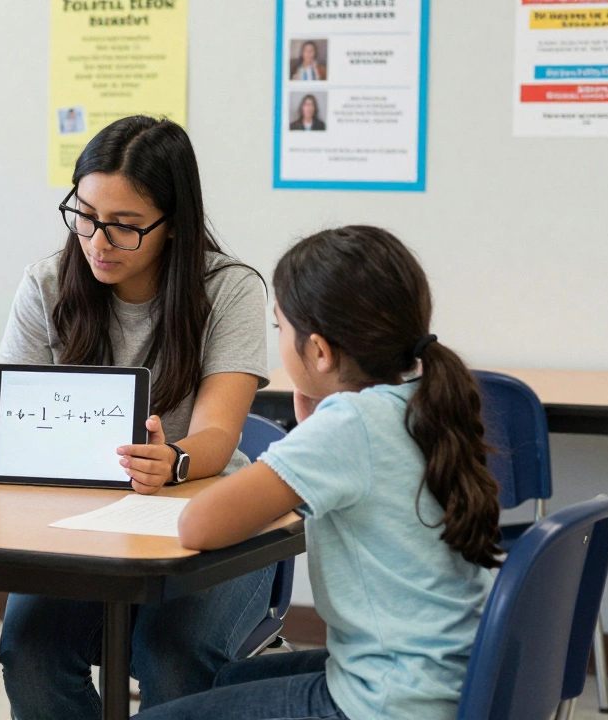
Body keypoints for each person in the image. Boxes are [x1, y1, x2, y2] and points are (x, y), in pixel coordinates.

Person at [0, 116, 274, 718]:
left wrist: (175, 460)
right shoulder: (47, 283)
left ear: (174, 225)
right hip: (80, 521)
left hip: (206, 518)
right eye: (84, 215)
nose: (97, 241)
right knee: (29, 649)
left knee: (173, 654)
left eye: (125, 226)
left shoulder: (229, 289)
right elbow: (17, 408)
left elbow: (217, 433)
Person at [134, 226, 501, 720]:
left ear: (320, 352)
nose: (278, 341)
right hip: (448, 677)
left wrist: (312, 436)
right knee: (220, 684)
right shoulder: (423, 401)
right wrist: (312, 435)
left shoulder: (350, 425)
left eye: (280, 328)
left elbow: (198, 524)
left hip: (386, 702)